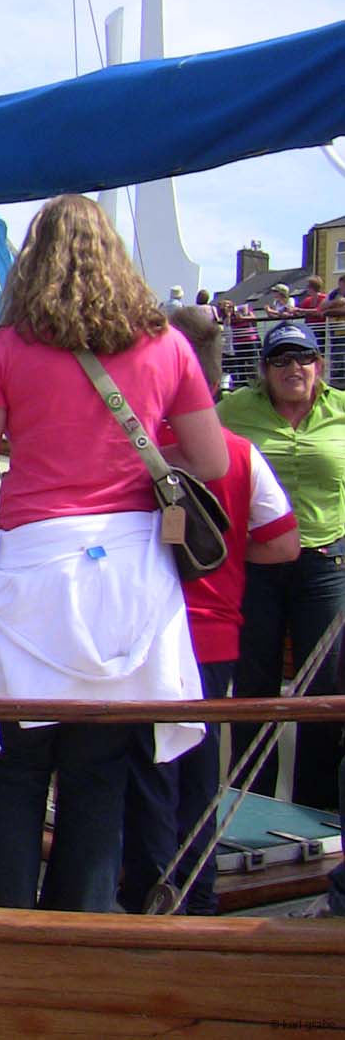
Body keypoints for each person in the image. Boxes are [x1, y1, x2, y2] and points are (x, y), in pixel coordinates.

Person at [0, 194, 227, 912]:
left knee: (14, 773)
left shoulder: (8, 348)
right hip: (131, 570)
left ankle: (2, 941)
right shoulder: (168, 346)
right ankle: (84, 938)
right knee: (98, 779)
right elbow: (212, 458)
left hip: (34, 564)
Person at [120, 307, 298, 916]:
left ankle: (146, 892)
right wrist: (222, 556)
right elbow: (282, 542)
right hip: (212, 636)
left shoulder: (128, 454)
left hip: (142, 636)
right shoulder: (241, 455)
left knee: (146, 772)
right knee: (198, 776)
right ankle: (196, 899)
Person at [218, 320, 345, 811]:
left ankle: (316, 812)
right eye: (281, 359)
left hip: (325, 561)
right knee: (254, 686)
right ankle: (250, 807)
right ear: (264, 369)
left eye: (304, 358)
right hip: (255, 564)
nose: (295, 368)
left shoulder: (339, 411)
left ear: (319, 364)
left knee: (323, 692)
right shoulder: (233, 410)